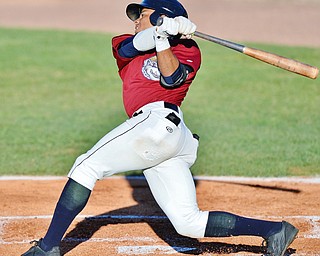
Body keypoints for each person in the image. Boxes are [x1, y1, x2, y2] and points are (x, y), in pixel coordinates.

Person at [21, 0, 299, 255]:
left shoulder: (189, 50)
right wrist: (160, 30)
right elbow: (132, 45)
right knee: (187, 223)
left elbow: (172, 78)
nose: (135, 20)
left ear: (162, 15)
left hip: (160, 127)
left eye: (141, 15)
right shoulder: (126, 47)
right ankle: (273, 230)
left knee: (85, 167)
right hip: (160, 137)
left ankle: (47, 248)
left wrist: (165, 38)